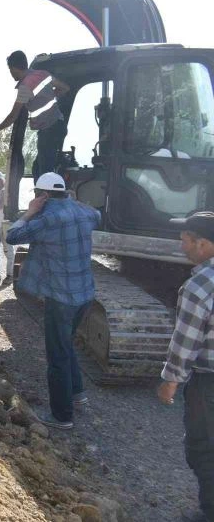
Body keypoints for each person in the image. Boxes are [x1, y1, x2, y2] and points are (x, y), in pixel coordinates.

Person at [6, 172, 99, 429]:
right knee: (66, 344)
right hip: (85, 294)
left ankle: (61, 416)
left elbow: (12, 237)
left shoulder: (48, 219)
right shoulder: (84, 213)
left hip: (61, 297)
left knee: (57, 355)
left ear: (42, 195)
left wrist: (28, 213)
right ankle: (78, 394)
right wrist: (73, 201)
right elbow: (97, 215)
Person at [157, 211, 214, 522]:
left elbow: (186, 342)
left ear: (203, 244)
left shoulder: (200, 286)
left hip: (209, 382)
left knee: (203, 449)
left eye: (185, 241)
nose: (182, 248)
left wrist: (171, 380)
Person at [0, 50, 70, 180]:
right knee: (38, 168)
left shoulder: (25, 87)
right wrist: (49, 96)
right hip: (59, 126)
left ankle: (47, 198)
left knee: (45, 173)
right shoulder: (43, 74)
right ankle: (44, 196)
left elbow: (13, 115)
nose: (10, 73)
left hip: (48, 129)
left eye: (10, 69)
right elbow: (65, 88)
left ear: (14, 68)